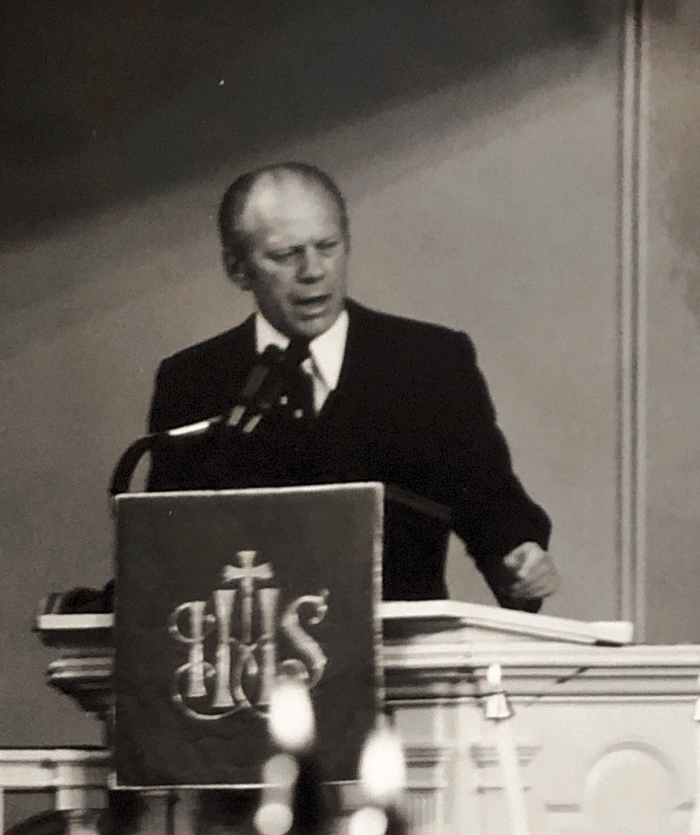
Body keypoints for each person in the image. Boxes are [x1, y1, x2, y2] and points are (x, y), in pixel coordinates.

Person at [145, 162, 558, 609]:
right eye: (286, 255)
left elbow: (495, 512)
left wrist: (521, 560)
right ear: (238, 269)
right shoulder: (191, 380)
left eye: (328, 247)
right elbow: (162, 551)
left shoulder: (430, 364)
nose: (313, 270)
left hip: (399, 663)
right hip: (251, 661)